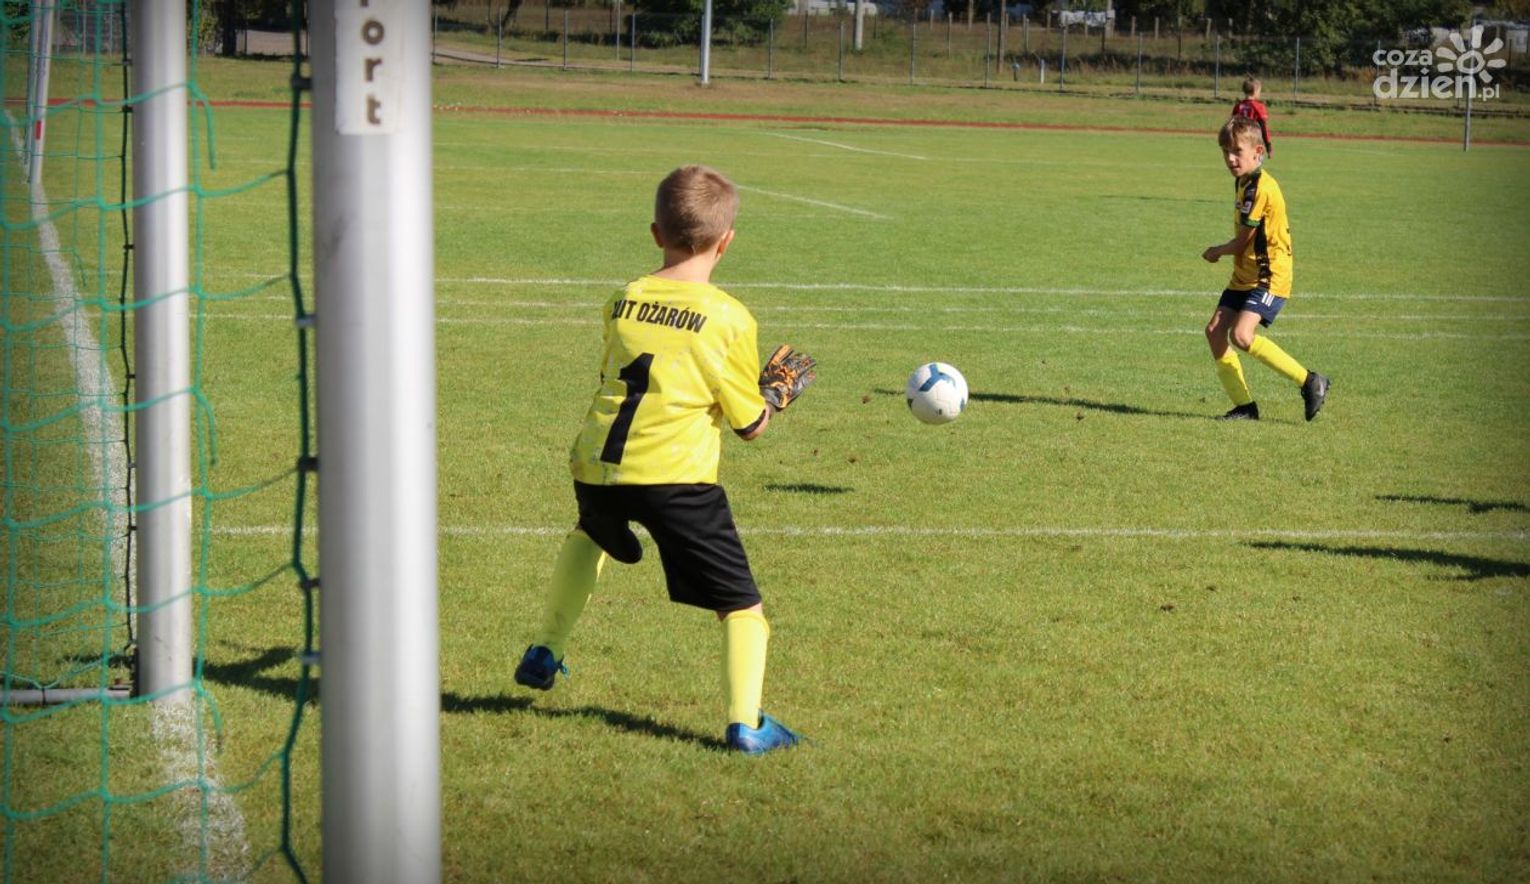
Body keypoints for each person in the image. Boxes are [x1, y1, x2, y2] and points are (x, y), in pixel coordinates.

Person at [513, 165, 817, 756]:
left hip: (596, 468)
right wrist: (774, 396)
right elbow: (749, 425)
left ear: (656, 233)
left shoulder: (623, 300)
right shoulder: (729, 318)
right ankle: (746, 723)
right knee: (741, 604)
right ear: (726, 242)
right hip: (676, 480)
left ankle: (545, 649)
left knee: (590, 535)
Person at [1201, 116, 1329, 422]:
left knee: (1241, 335)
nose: (1230, 159)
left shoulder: (1261, 188)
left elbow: (1242, 241)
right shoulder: (1243, 181)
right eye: (1225, 152)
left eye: (1237, 151)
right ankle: (1245, 407)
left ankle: (1311, 381)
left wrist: (1217, 251)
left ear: (1258, 152)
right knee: (1215, 332)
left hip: (1270, 276)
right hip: (1246, 274)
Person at [1231, 76, 1273, 157]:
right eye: (1259, 91)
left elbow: (1232, 125)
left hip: (1241, 141)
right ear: (1255, 91)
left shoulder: (1238, 106)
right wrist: (1268, 145)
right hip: (1254, 142)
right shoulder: (1259, 107)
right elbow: (1263, 126)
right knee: (1255, 163)